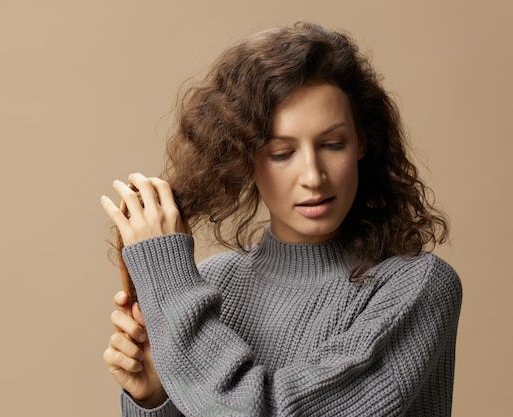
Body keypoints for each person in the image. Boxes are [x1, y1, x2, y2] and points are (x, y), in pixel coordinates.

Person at [100, 22, 462, 417]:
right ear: (244, 158)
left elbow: (266, 411)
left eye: (332, 144)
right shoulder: (215, 281)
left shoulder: (418, 287)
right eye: (281, 153)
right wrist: (158, 397)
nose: (313, 175)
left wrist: (168, 282)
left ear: (362, 142)